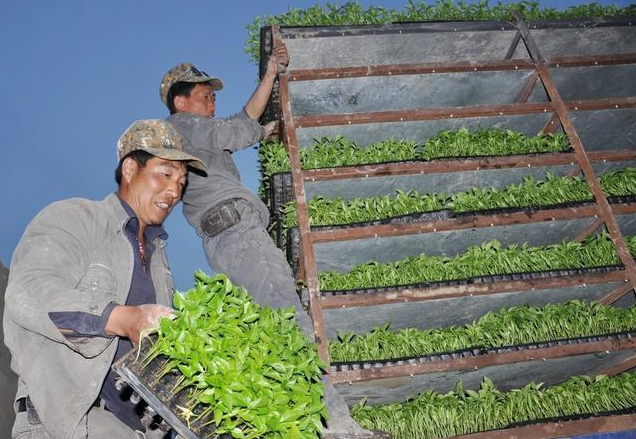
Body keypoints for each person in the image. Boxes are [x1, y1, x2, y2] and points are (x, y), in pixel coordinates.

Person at [160, 48, 390, 439]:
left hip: (225, 238)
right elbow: (237, 127)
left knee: (272, 328)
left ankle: (305, 424)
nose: (212, 103)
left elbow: (236, 131)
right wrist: (270, 76)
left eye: (213, 96)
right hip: (238, 234)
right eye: (205, 96)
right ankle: (339, 427)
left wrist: (259, 130)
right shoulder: (182, 125)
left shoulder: (195, 141)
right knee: (289, 315)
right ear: (181, 101)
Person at [3, 119, 206, 439]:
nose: (174, 191)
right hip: (69, 426)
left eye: (181, 182)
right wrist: (122, 318)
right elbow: (27, 293)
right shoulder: (78, 218)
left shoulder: (159, 267)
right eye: (165, 174)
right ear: (129, 170)